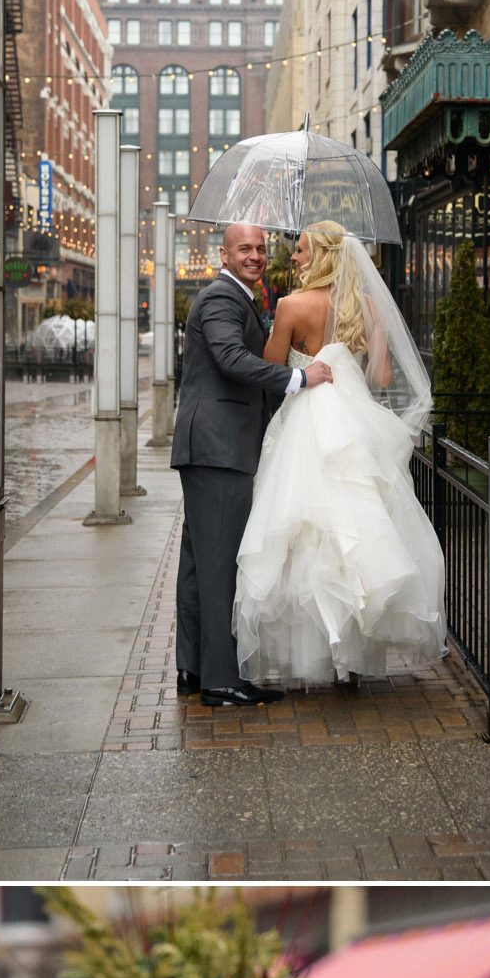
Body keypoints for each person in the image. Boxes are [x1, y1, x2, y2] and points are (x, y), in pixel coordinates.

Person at [235, 225, 447, 693]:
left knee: (306, 529)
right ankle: (349, 661)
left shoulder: (291, 307)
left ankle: (320, 648)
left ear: (322, 256)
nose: (293, 258)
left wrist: (293, 351)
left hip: (308, 420)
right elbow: (381, 376)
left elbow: (271, 372)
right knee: (357, 527)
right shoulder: (368, 306)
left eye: (301, 250)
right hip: (352, 421)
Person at [170, 222, 328, 709]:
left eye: (261, 248)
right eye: (245, 248)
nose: (256, 256)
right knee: (219, 566)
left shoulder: (236, 297)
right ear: (224, 253)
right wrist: (297, 377)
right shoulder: (222, 298)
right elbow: (231, 358)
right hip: (219, 447)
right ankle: (220, 681)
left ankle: (194, 667)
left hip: (215, 447)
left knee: (200, 564)